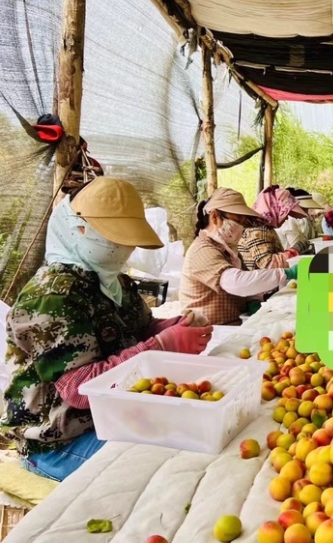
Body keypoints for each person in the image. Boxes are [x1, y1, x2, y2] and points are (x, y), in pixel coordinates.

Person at [1, 177, 213, 481]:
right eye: (115, 238)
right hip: (58, 440)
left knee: (192, 442)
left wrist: (173, 327)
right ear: (79, 228)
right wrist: (162, 346)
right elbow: (80, 390)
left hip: (113, 417)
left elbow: (142, 328)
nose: (123, 249)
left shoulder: (114, 281)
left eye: (128, 240)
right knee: (163, 472)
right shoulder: (51, 298)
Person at [181, 188, 288, 325]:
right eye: (238, 220)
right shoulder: (202, 250)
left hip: (234, 325)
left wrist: (253, 300)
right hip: (208, 334)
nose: (242, 228)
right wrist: (285, 273)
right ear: (214, 217)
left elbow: (247, 279)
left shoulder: (228, 250)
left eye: (243, 223)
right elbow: (236, 282)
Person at [239, 186, 306, 270]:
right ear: (275, 209)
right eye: (284, 213)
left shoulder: (264, 227)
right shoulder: (257, 230)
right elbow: (269, 264)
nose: (286, 218)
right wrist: (296, 249)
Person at [277, 188, 324, 255]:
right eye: (305, 208)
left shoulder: (301, 220)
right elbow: (297, 247)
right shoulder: (289, 220)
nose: (307, 211)